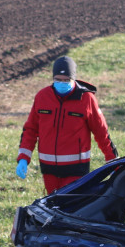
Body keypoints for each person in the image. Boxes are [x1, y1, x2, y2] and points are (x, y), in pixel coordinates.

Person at [17, 56, 118, 194]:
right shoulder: (42, 97)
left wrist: (113, 162)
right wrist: (23, 158)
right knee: (53, 206)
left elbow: (101, 133)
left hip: (76, 169)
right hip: (48, 169)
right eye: (58, 79)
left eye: (66, 80)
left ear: (74, 79)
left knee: (69, 206)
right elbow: (31, 130)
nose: (62, 83)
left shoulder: (87, 99)